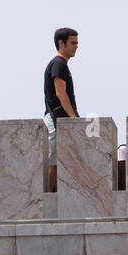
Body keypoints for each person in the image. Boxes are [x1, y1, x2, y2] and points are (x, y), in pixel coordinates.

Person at [43, 27, 79, 192]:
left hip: (60, 120)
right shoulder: (58, 64)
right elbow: (60, 92)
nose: (76, 46)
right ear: (61, 43)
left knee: (60, 160)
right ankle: (48, 195)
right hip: (56, 119)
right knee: (53, 160)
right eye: (72, 43)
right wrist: (73, 117)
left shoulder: (61, 65)